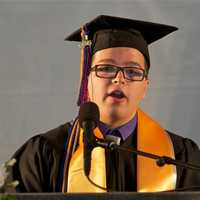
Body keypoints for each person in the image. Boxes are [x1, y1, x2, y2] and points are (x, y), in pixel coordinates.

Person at [8, 15, 200, 193]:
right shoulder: (45, 153)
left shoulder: (179, 157)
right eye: (106, 68)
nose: (119, 79)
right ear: (87, 80)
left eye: (133, 72)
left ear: (145, 87)